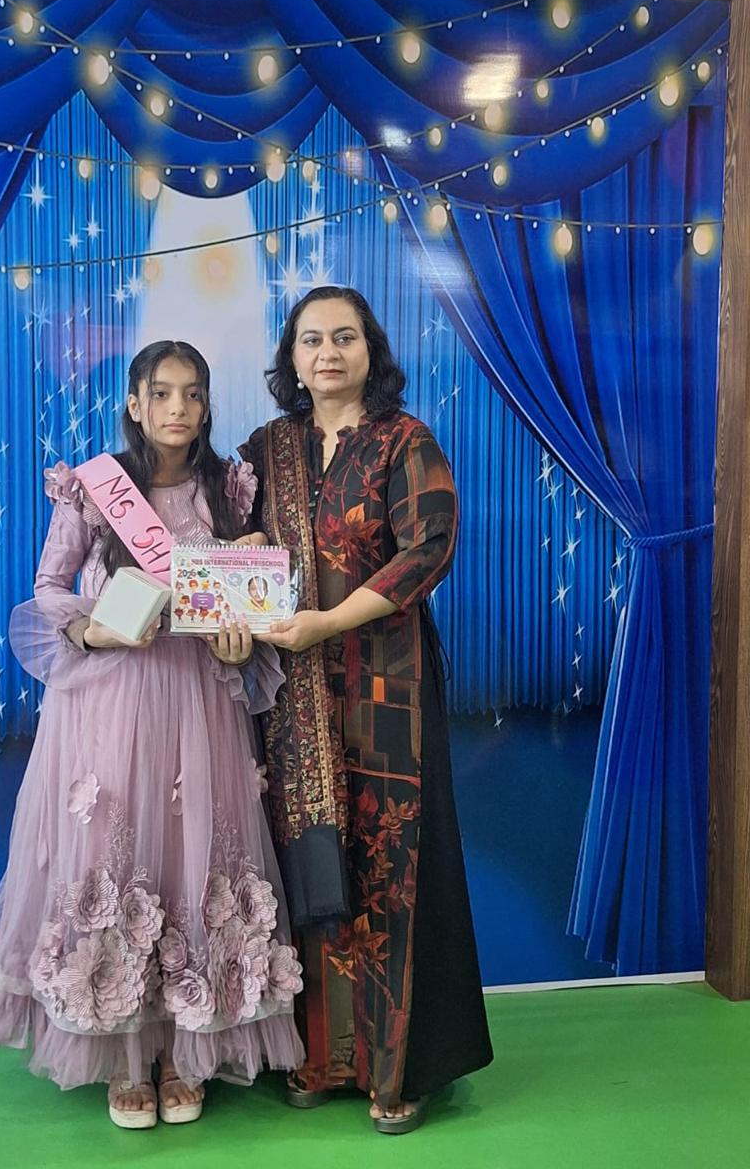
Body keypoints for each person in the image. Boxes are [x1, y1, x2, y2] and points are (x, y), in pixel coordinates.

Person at [0, 341, 305, 1130]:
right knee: (118, 854)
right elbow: (48, 589)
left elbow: (243, 603)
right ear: (134, 403)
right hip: (109, 704)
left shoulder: (230, 487)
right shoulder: (95, 488)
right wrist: (99, 631)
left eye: (193, 393)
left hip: (199, 703)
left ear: (207, 406)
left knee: (194, 857)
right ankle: (125, 1058)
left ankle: (184, 1050)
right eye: (163, 393)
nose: (178, 408)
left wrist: (240, 642)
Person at [240, 286, 492, 1135]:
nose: (328, 354)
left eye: (344, 337)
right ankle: (319, 1055)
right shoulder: (267, 449)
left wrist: (328, 622)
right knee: (306, 859)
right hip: (291, 699)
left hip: (388, 690)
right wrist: (238, 565)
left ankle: (396, 1068)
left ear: (370, 349)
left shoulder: (405, 441)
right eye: (311, 340)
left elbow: (428, 550)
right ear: (291, 356)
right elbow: (229, 542)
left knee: (389, 864)